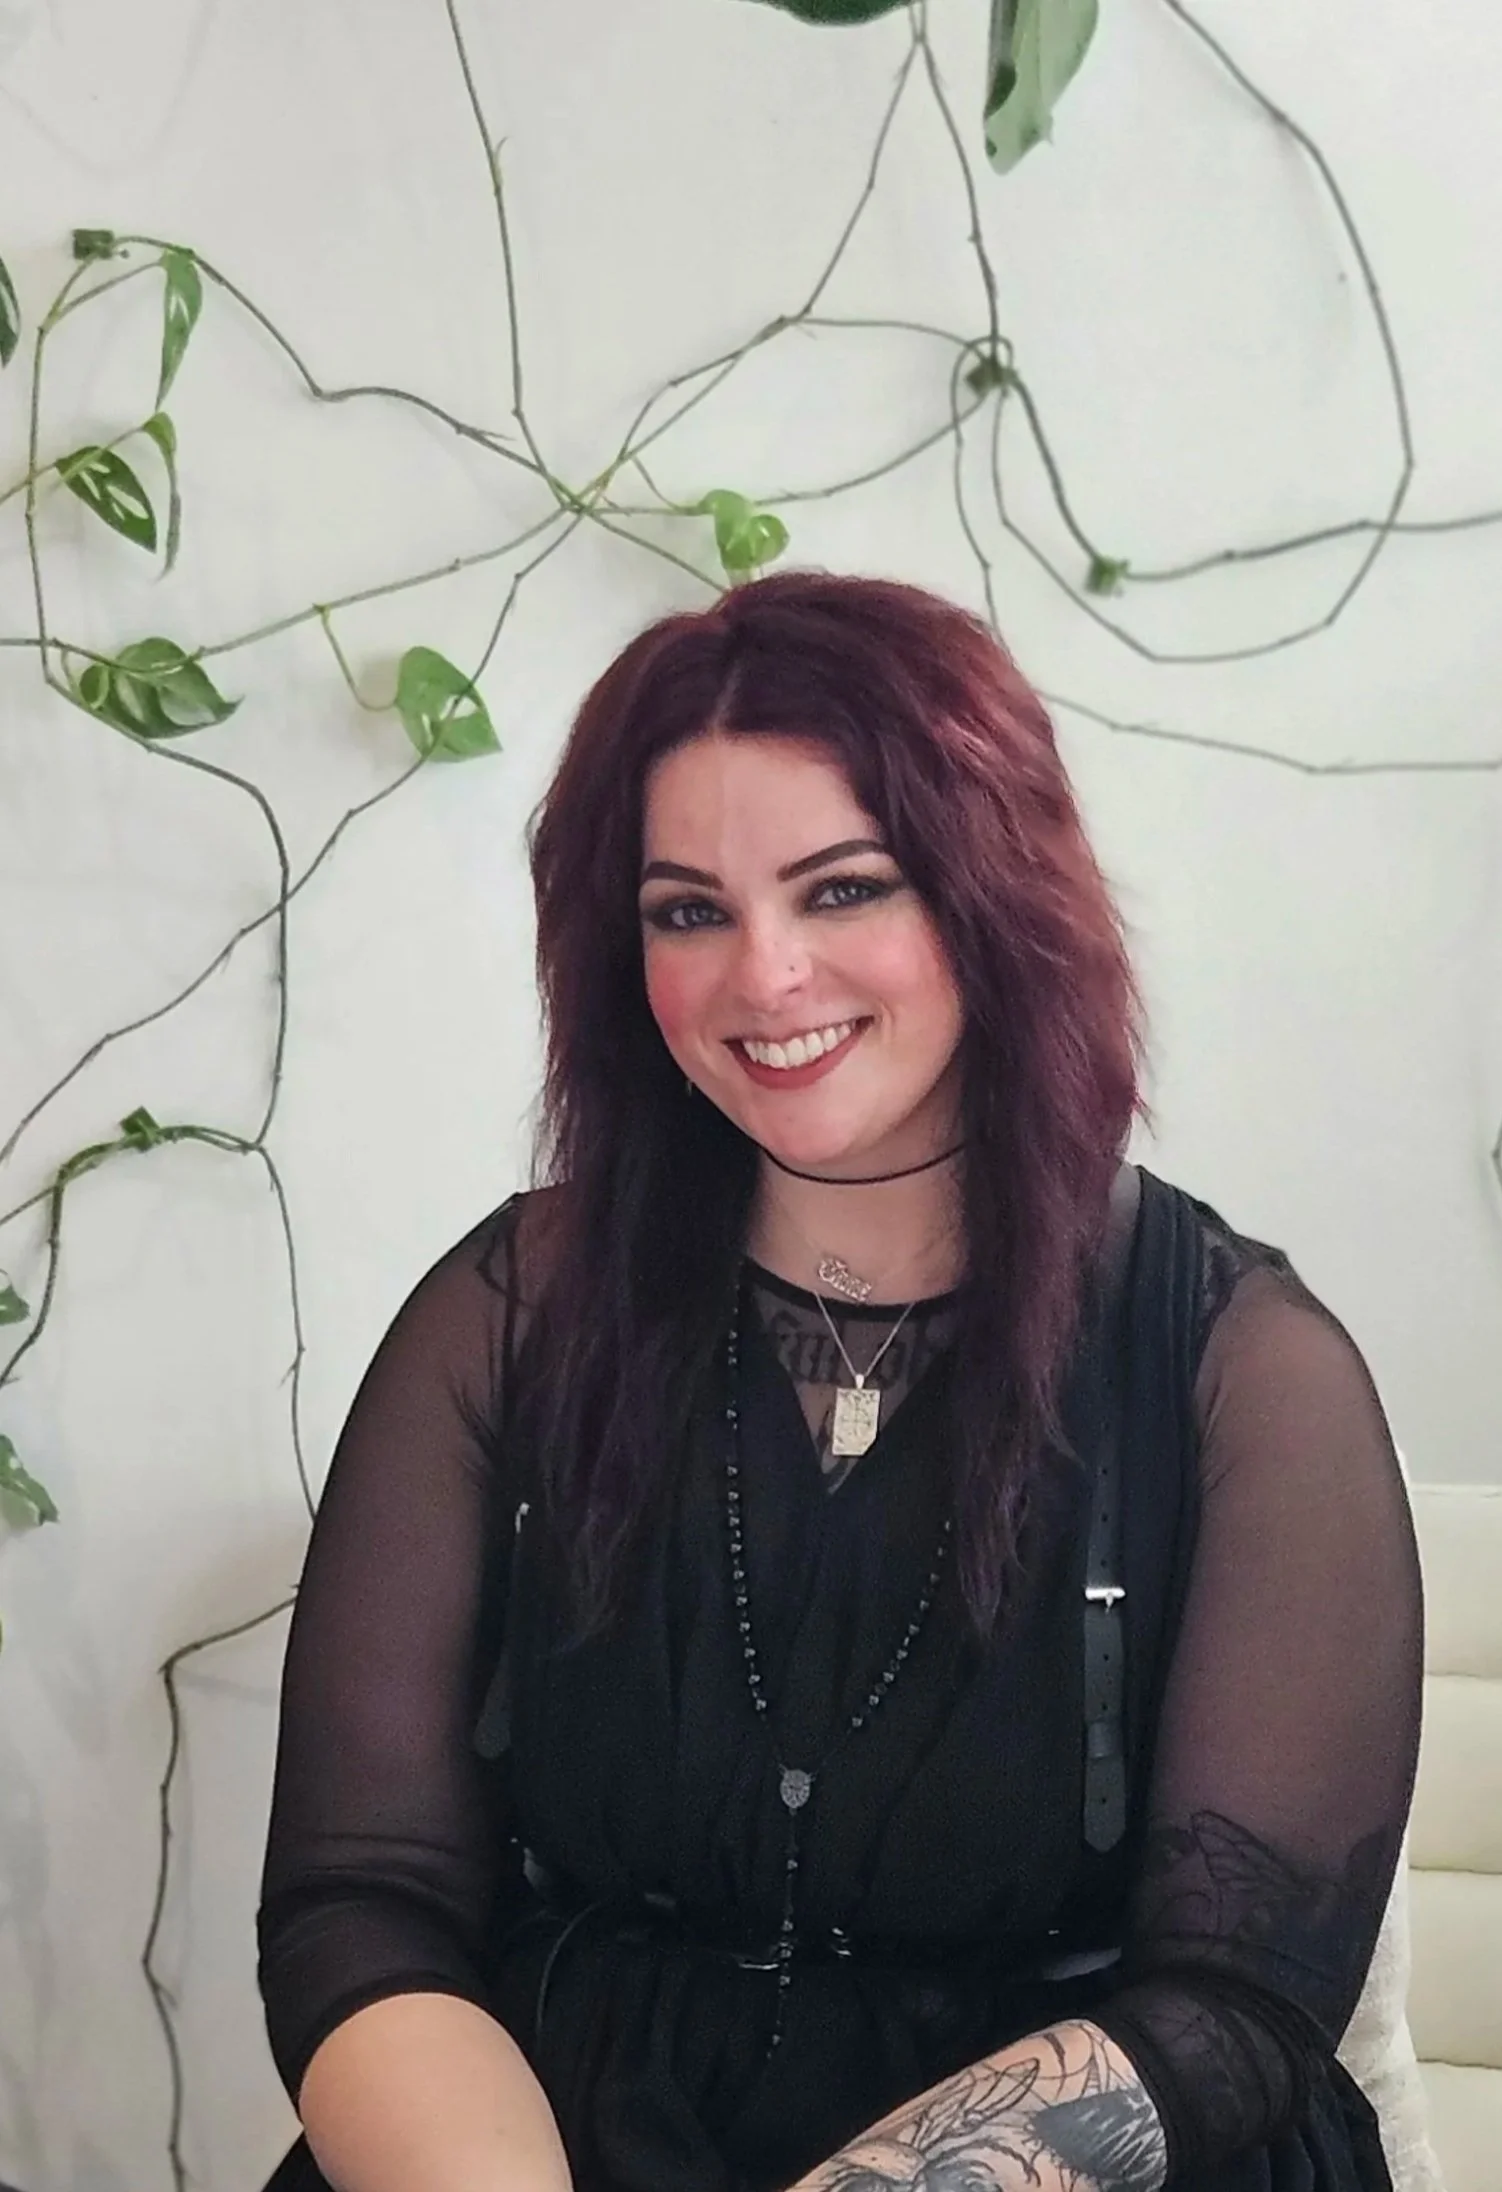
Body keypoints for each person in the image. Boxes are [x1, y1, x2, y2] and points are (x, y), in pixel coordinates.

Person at [257, 572, 1423, 2192]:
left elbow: (1237, 2007)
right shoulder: (506, 1314)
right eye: (688, 911)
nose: (766, 977)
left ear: (993, 894)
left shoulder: (1247, 1373)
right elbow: (361, 1901)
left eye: (842, 889)